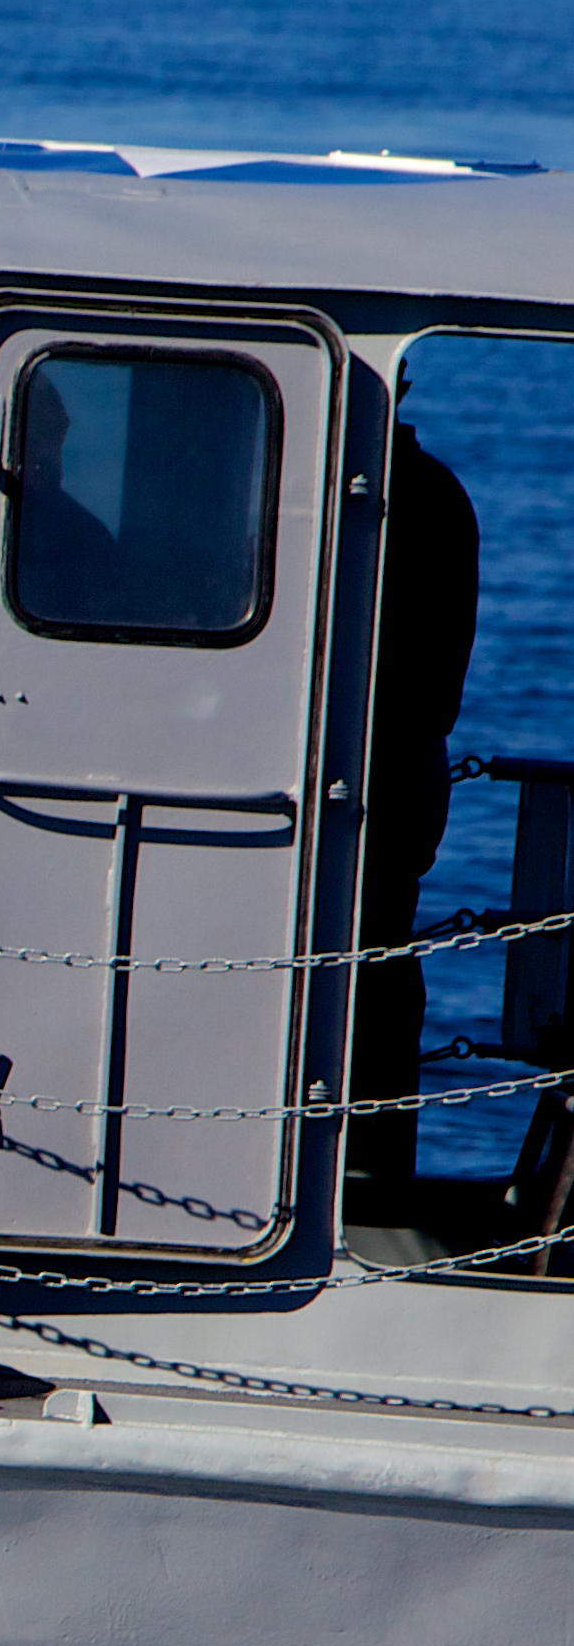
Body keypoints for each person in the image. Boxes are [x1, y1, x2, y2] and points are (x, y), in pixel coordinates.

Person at [351, 411, 481, 1188]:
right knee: (383, 970)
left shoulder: (394, 499)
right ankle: (372, 1167)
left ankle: (360, 1167)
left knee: (368, 972)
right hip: (404, 778)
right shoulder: (436, 493)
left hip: (378, 778)